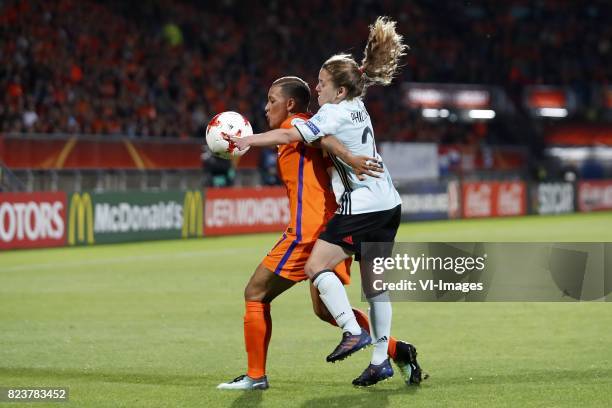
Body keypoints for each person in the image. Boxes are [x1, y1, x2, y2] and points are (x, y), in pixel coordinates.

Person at [230, 17, 421, 387]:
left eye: (321, 84)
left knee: (299, 274)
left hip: (353, 210)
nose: (317, 90)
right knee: (368, 290)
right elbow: (326, 139)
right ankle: (388, 354)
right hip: (388, 202)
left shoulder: (321, 116)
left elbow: (301, 134)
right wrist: (349, 157)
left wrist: (247, 140)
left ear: (338, 91)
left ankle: (351, 335)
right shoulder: (354, 104)